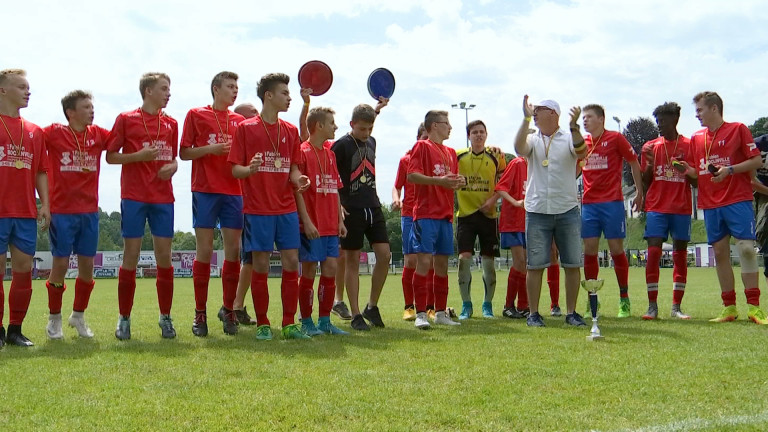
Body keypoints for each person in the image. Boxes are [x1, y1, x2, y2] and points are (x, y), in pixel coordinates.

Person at [228, 72, 311, 340]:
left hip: (286, 208)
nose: (289, 98)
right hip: (257, 209)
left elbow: (294, 170)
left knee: (291, 262)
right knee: (260, 265)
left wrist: (301, 178)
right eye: (285, 93)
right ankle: (263, 323)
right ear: (269, 96)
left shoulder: (290, 130)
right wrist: (248, 169)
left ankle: (289, 323)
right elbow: (235, 171)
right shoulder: (245, 128)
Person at [680, 91, 767, 324]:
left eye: (699, 110)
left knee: (747, 249)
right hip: (710, 203)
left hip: (737, 198)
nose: (696, 115)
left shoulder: (738, 128)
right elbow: (696, 171)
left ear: (714, 108)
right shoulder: (697, 138)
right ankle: (729, 307)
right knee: (719, 253)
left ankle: (754, 307)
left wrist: (730, 170)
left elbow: (757, 161)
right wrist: (685, 170)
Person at [106, 72, 179, 340]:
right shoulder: (126, 119)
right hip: (134, 196)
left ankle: (166, 318)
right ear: (148, 91)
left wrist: (171, 167)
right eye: (164, 89)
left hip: (163, 198)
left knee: (164, 259)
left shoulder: (171, 122)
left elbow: (174, 160)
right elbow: (111, 157)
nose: (168, 93)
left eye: (169, 89)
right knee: (131, 256)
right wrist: (138, 156)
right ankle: (124, 318)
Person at [179, 71, 246, 336]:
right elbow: (184, 153)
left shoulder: (240, 121)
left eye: (236, 86)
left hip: (233, 192)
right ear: (216, 89)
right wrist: (210, 150)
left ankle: (229, 310)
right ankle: (200, 314)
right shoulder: (196, 115)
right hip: (205, 191)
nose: (235, 90)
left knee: (233, 252)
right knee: (204, 251)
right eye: (230, 86)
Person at [513, 97, 587, 327]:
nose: (535, 113)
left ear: (554, 113)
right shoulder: (533, 139)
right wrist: (525, 118)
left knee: (572, 263)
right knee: (535, 264)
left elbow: (582, 151)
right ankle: (533, 314)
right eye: (533, 111)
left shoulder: (567, 138)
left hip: (566, 209)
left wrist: (574, 127)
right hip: (537, 210)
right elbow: (518, 148)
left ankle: (572, 312)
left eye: (539, 110)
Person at [42, 90, 109, 339]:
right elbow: (29, 140)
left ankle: (78, 316)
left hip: (89, 212)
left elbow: (122, 141)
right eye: (86, 107)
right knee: (60, 263)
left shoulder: (98, 134)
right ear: (71, 112)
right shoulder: (54, 133)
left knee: (87, 266)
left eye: (92, 106)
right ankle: (54, 318)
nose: (92, 110)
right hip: (62, 212)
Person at [0, 69, 50, 347]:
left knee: (22, 270)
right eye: (21, 87)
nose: (27, 92)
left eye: (28, 87)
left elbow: (42, 170)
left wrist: (45, 204)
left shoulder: (34, 131)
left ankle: (15, 329)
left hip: (25, 211)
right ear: (3, 91)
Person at [330, 100, 389, 331]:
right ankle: (355, 314)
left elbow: (369, 118)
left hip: (373, 206)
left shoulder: (372, 140)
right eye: (362, 129)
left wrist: (377, 110)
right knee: (351, 260)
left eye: (370, 129)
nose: (366, 133)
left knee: (384, 255)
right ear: (352, 124)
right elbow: (331, 177)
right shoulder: (340, 146)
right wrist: (337, 208)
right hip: (350, 208)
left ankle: (371, 306)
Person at [580, 104, 644, 318]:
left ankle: (624, 298)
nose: (584, 121)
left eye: (588, 117)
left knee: (616, 249)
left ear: (601, 119)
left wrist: (638, 192)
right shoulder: (583, 143)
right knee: (589, 250)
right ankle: (592, 300)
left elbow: (634, 162)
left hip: (612, 203)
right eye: (583, 117)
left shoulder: (615, 138)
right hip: (589, 204)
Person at [407, 110, 465, 329]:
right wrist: (439, 181)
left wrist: (458, 181)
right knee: (423, 263)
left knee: (442, 265)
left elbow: (450, 181)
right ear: (433, 126)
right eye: (446, 123)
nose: (450, 127)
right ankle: (420, 313)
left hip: (445, 215)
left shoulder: (450, 152)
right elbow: (411, 176)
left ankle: (440, 312)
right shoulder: (421, 147)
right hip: (426, 214)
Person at [295, 107, 349, 336]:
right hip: (312, 225)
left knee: (330, 268)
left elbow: (335, 189)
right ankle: (306, 321)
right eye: (332, 123)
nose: (335, 127)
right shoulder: (302, 152)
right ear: (318, 125)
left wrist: (340, 220)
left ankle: (325, 321)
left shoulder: (330, 154)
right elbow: (297, 190)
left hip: (330, 225)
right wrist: (306, 221)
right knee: (308, 270)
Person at [639, 102, 695, 320]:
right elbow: (645, 182)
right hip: (656, 207)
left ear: (675, 120)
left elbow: (697, 182)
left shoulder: (690, 145)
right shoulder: (650, 147)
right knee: (653, 253)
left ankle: (676, 308)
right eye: (657, 121)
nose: (659, 125)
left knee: (680, 256)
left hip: (681, 207)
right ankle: (652, 307)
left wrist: (687, 170)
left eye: (663, 121)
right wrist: (651, 164)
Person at [494, 156, 562, 318]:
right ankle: (508, 305)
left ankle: (524, 306)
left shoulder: (540, 167)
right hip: (512, 222)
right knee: (520, 261)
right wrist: (515, 202)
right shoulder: (517, 164)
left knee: (527, 263)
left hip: (529, 222)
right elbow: (500, 187)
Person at [455, 120, 506, 319]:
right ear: (469, 136)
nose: (478, 135)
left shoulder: (496, 156)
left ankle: (487, 305)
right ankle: (466, 305)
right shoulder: (458, 155)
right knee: (463, 260)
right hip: (466, 216)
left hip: (488, 215)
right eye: (474, 132)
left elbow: (504, 182)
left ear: (486, 134)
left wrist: (493, 200)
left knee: (489, 263)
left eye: (481, 132)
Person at [392, 123, 427, 321]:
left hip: (430, 214)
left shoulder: (437, 160)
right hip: (409, 214)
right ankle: (409, 307)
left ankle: (429, 307)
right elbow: (397, 187)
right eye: (422, 137)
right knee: (411, 260)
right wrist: (397, 198)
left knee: (428, 261)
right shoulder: (406, 160)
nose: (425, 142)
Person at [231, 102, 259, 325]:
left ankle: (237, 305)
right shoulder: (242, 140)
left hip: (256, 206)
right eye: (252, 114)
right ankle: (236, 305)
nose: (257, 117)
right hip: (247, 206)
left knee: (250, 259)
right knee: (249, 259)